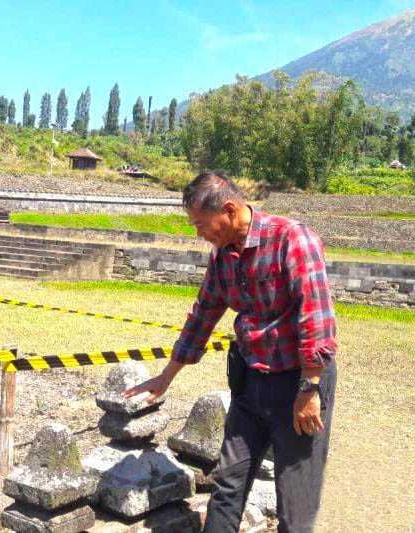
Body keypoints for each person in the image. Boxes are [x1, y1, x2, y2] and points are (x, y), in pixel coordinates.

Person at [124, 170, 337, 533]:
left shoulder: (290, 239)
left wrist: (310, 388)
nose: (198, 233)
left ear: (229, 210)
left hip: (297, 382)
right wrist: (166, 376)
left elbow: (314, 317)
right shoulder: (223, 256)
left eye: (201, 224)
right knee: (228, 484)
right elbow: (203, 314)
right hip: (250, 381)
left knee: (296, 500)